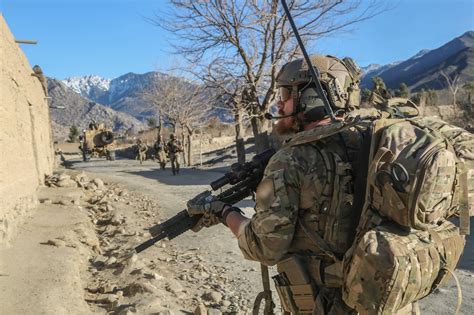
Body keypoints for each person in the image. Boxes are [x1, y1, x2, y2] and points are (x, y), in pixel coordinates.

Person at [187, 55, 423, 314]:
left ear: (312, 97)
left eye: (286, 93)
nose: (279, 102)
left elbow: (263, 246)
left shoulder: (291, 159)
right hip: (389, 303)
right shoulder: (374, 142)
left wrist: (225, 212)